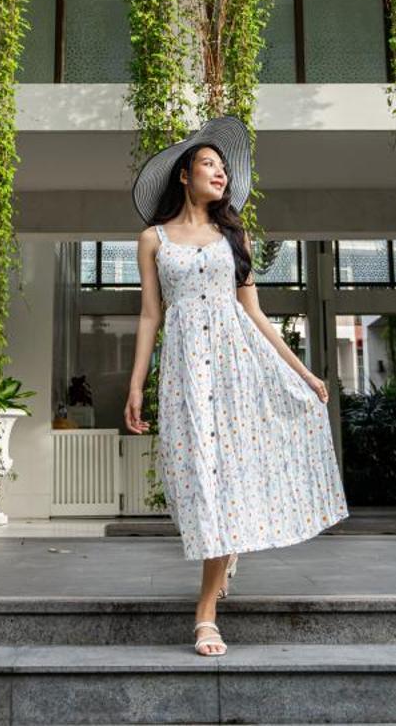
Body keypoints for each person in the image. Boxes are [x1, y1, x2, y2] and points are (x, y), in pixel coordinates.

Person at [122, 114, 349, 658]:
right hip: (184, 373)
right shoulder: (152, 240)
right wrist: (135, 387)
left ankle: (206, 615)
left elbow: (255, 313)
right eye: (208, 164)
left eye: (224, 168)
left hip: (236, 366)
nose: (219, 174)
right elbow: (150, 316)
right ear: (184, 174)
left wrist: (304, 372)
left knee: (224, 484)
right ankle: (225, 555)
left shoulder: (233, 234)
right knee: (200, 479)